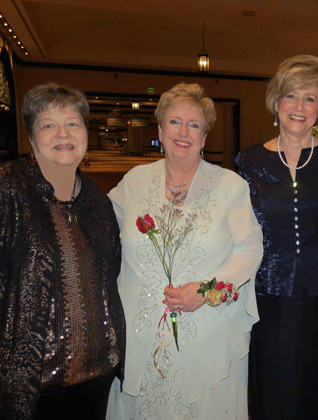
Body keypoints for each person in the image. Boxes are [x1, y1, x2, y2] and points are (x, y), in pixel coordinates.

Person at [0, 83, 125, 420]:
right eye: (48, 125)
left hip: (93, 383)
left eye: (73, 123)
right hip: (8, 390)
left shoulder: (97, 202)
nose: (63, 133)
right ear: (31, 137)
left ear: (86, 134)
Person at [106, 82, 263, 420]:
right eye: (175, 122)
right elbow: (100, 229)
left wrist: (206, 291)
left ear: (204, 138)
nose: (183, 132)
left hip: (207, 332)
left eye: (194, 125)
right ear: (160, 131)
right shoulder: (134, 182)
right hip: (140, 334)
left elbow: (249, 250)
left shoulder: (231, 187)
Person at [235, 54, 318, 420]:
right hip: (268, 298)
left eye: (310, 98)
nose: (299, 106)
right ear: (276, 102)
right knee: (275, 389)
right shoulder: (248, 162)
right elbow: (231, 227)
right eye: (291, 95)